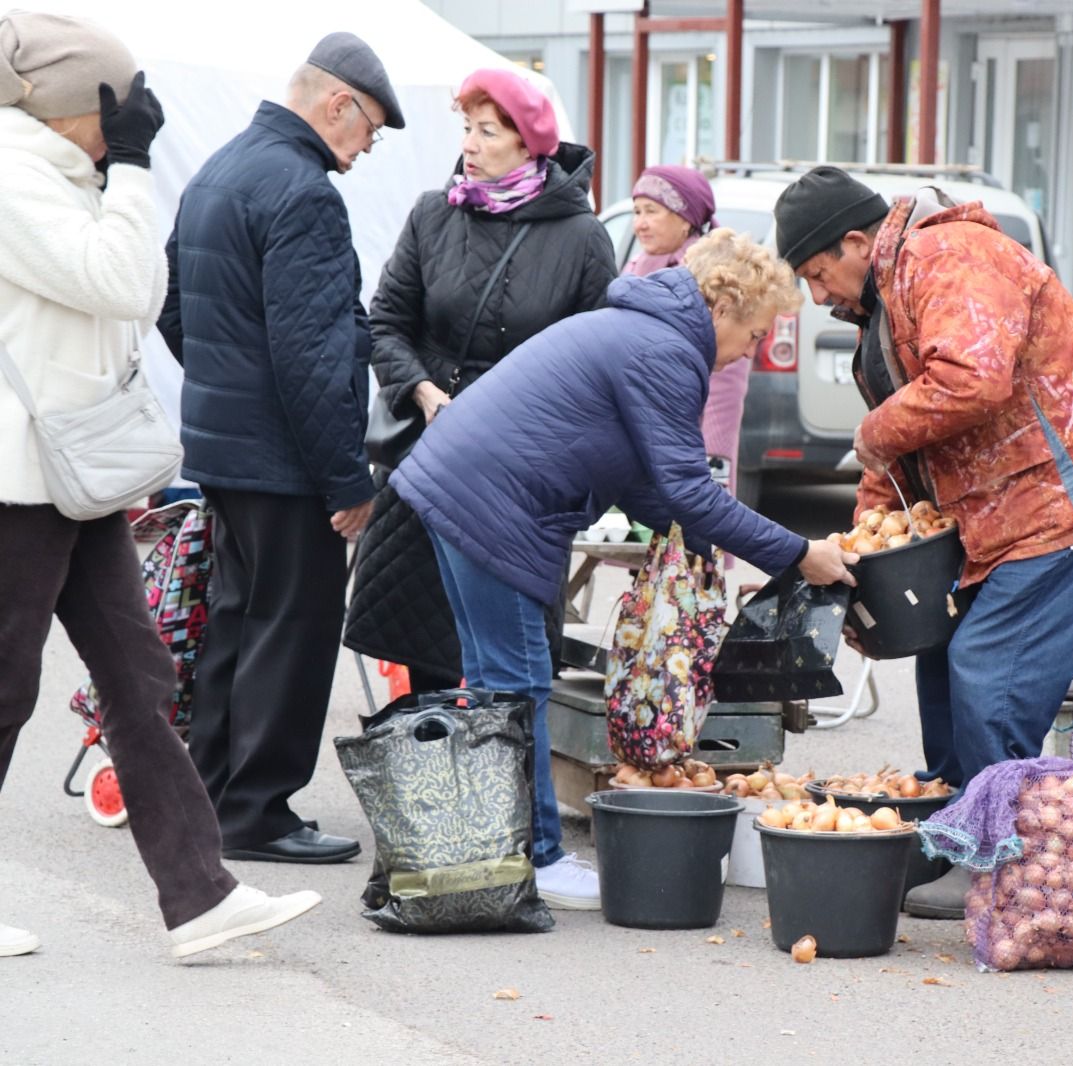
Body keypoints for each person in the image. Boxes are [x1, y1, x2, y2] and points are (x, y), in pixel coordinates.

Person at [391, 229, 856, 910]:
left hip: (457, 486)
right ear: (723, 306)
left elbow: (652, 486)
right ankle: (538, 858)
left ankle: (490, 849)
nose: (748, 352)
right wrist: (797, 553)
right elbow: (686, 488)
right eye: (754, 334)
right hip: (495, 506)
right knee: (517, 688)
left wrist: (698, 541)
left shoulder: (643, 330)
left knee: (494, 687)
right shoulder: (668, 350)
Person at [0, 10, 320, 958]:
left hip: (73, 470)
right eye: (120, 102)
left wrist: (118, 169)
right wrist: (135, 168)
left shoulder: (59, 174)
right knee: (6, 691)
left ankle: (200, 896)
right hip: (21, 479)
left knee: (139, 681)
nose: (133, 115)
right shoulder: (15, 178)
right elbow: (127, 282)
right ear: (74, 108)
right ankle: (199, 892)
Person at [773, 166, 1073, 918]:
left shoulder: (946, 256)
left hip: (1064, 497)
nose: (817, 296)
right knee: (935, 658)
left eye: (818, 273)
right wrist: (867, 554)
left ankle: (1002, 861)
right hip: (990, 516)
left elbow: (971, 380)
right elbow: (895, 465)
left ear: (858, 242)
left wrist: (868, 432)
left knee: (990, 671)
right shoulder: (882, 309)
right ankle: (957, 831)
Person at [157, 32, 404, 864]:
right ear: (338, 103)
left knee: (236, 622)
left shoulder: (220, 169)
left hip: (224, 450)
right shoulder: (303, 191)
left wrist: (230, 390)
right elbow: (315, 354)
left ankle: (217, 796)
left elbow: (174, 313)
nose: (366, 149)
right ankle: (259, 811)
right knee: (291, 631)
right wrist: (346, 477)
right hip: (289, 459)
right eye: (368, 128)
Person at [344, 68, 617, 695]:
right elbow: (385, 322)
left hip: (521, 476)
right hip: (429, 455)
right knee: (425, 642)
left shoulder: (582, 239)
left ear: (528, 144)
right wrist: (420, 388)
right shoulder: (432, 215)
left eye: (487, 131)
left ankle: (513, 786)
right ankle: (433, 777)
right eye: (466, 127)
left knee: (513, 654)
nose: (468, 143)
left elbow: (601, 362)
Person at [623, 165, 751, 499]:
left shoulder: (711, 275)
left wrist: (711, 455)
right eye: (637, 212)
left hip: (691, 428)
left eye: (652, 211)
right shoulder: (635, 266)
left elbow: (726, 382)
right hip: (639, 424)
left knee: (699, 518)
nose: (640, 223)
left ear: (685, 217)